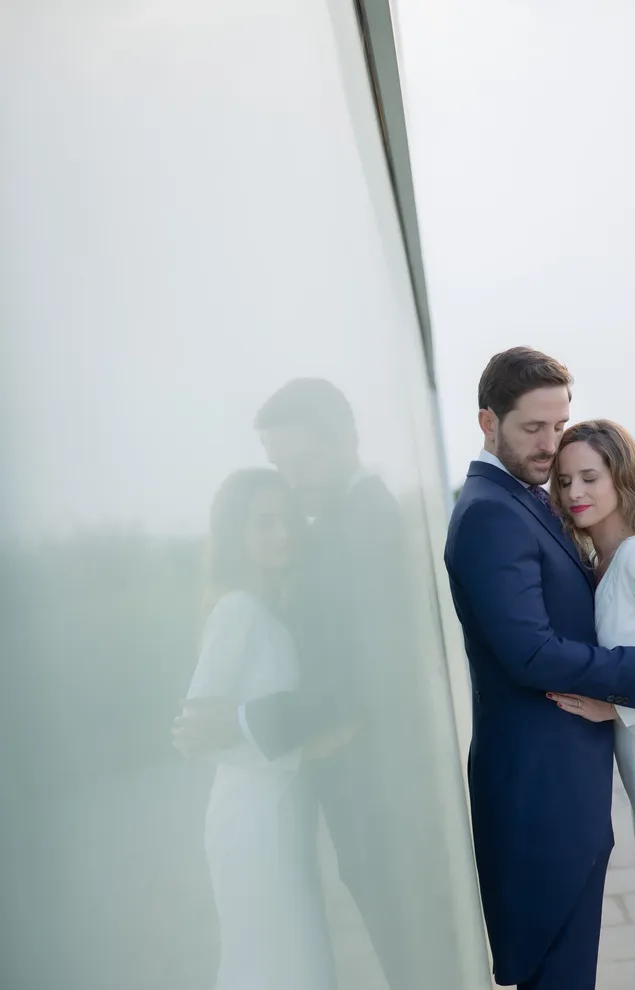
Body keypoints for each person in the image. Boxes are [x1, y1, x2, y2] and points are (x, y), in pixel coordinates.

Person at [175, 380, 457, 990]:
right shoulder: (335, 527)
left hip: (385, 799)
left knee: (418, 961)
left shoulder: (363, 526)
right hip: (352, 796)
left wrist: (253, 722)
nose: (294, 480)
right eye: (282, 465)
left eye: (301, 462)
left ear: (347, 441)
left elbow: (366, 673)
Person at [443, 346, 635, 990]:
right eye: (533, 429)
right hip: (541, 793)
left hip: (581, 789)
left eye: (559, 426)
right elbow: (529, 653)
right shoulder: (491, 514)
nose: (551, 448)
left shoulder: (530, 506)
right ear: (486, 422)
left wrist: (630, 695)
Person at [548, 420, 635, 990]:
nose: (575, 492)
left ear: (621, 478)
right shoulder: (600, 567)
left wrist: (617, 708)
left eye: (590, 476)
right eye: (563, 481)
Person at [184, 468, 336, 990]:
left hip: (285, 815)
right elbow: (199, 732)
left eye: (287, 519)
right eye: (262, 524)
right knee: (269, 964)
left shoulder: (276, 608)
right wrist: (307, 748)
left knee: (294, 960)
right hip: (251, 822)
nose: (282, 533)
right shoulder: (237, 611)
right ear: (236, 536)